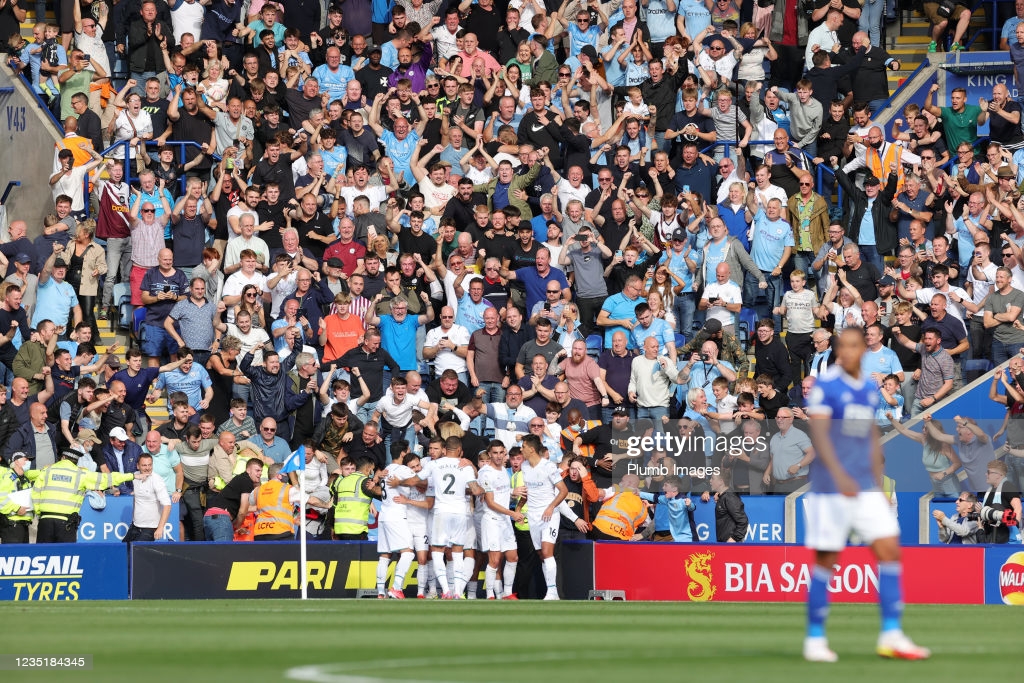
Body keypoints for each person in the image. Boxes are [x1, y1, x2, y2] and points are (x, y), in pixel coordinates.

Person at [802, 326, 930, 662]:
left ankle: (892, 634)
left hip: (865, 487)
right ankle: (815, 639)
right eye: (842, 346)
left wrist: (876, 479)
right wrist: (841, 476)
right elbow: (821, 435)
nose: (847, 351)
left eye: (854, 345)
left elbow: (870, 438)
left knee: (890, 550)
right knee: (826, 561)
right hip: (831, 488)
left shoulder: (868, 391)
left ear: (865, 350)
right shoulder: (826, 386)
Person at [33, 448, 141, 543]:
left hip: (45, 521)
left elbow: (35, 493)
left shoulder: (46, 471)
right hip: (66, 523)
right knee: (66, 559)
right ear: (76, 461)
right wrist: (132, 476)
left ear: (63, 457)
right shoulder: (81, 474)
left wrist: (39, 513)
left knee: (43, 556)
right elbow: (107, 479)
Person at [517, 433, 570, 600]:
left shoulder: (548, 467)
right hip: (532, 516)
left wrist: (551, 507)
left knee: (547, 552)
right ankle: (551, 588)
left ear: (531, 449)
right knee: (541, 554)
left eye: (523, 447)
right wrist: (518, 508)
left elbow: (564, 491)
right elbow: (527, 493)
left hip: (549, 516)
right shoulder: (525, 466)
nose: (521, 449)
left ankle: (552, 592)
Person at [203, 456, 264, 542]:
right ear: (248, 470)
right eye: (257, 470)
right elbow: (242, 512)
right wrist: (236, 526)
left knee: (214, 554)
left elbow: (246, 508)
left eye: (261, 471)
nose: (260, 473)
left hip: (209, 518)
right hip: (221, 519)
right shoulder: (246, 480)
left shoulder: (240, 479)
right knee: (225, 552)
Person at [123, 453, 172, 543]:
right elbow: (136, 499)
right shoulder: (135, 476)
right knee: (123, 550)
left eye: (150, 465)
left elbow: (167, 505)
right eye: (144, 465)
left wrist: (160, 528)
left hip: (150, 528)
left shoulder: (157, 480)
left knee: (137, 554)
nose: (147, 468)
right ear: (138, 466)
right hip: (135, 525)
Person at [331, 456, 381, 540]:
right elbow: (380, 492)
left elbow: (334, 505)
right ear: (368, 468)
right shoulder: (364, 481)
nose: (372, 472)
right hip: (356, 530)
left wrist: (332, 528)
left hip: (340, 529)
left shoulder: (342, 481)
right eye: (372, 469)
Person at [252, 462, 303, 541]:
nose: (287, 476)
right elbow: (309, 500)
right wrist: (326, 505)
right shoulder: (288, 489)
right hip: (281, 532)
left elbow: (249, 507)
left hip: (260, 533)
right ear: (279, 475)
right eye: (285, 474)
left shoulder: (257, 490)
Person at [978, 459, 1023, 544]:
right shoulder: (990, 490)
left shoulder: (1008, 487)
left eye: (988, 472)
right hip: (992, 535)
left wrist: (1014, 524)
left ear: (998, 475)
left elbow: (1018, 508)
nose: (986, 474)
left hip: (1005, 538)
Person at [0, 451, 33, 543]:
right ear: (17, 461)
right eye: (25, 459)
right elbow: (1, 498)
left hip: (24, 525)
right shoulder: (8, 477)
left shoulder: (25, 478)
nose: (28, 462)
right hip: (12, 526)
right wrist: (17, 508)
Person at [709, 470, 747, 543]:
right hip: (724, 542)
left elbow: (743, 521)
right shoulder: (724, 497)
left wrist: (734, 538)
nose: (710, 481)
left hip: (731, 544)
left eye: (712, 478)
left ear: (720, 481)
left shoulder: (730, 497)